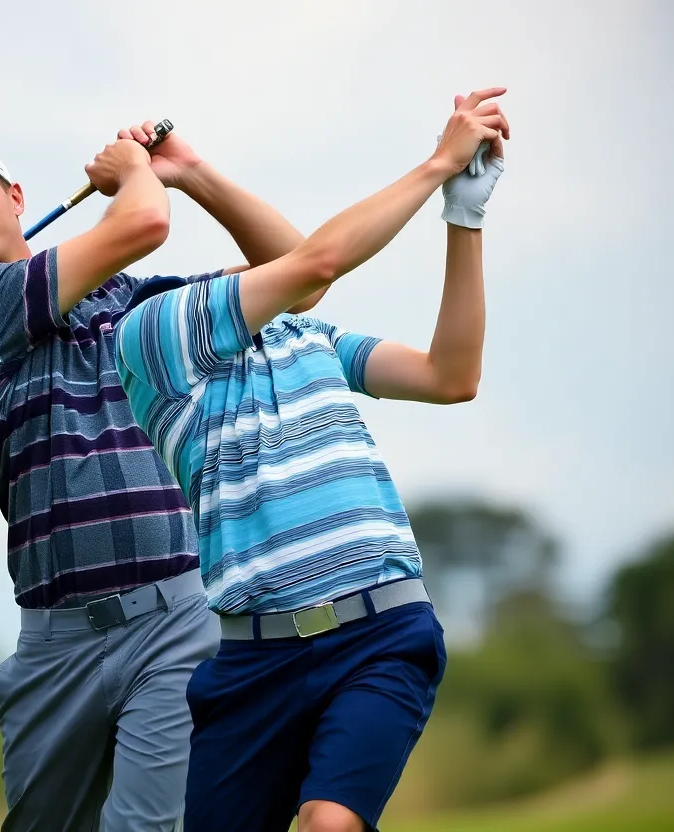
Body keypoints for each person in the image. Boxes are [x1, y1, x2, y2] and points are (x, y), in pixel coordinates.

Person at [0, 120, 324, 830]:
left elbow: (303, 274)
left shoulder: (130, 303)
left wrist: (192, 173)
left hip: (176, 619)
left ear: (15, 198)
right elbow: (142, 223)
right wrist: (134, 169)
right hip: (55, 642)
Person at [113, 89, 510, 832]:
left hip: (379, 632)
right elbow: (315, 259)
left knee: (331, 823)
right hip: (253, 665)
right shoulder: (152, 339)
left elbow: (449, 376)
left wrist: (465, 218)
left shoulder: (308, 338)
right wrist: (434, 166)